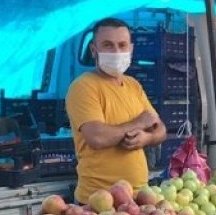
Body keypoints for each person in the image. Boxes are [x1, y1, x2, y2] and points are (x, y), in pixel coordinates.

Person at [66, 17, 167, 201]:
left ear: (131, 49)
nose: (116, 51)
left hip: (139, 197)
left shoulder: (133, 86)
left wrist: (147, 138)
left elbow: (160, 129)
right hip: (98, 202)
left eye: (122, 45)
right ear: (93, 50)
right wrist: (138, 123)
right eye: (108, 45)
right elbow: (97, 137)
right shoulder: (83, 87)